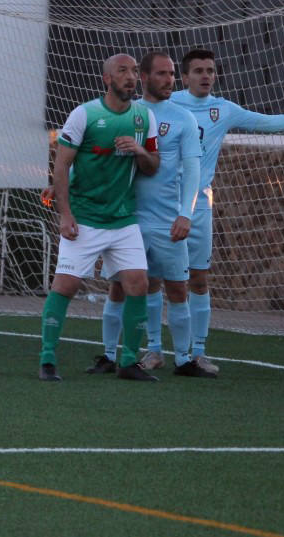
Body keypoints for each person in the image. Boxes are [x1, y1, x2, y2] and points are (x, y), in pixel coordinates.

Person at [171, 48, 284, 372]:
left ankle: (199, 352)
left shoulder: (224, 109)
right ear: (185, 76)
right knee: (155, 280)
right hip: (162, 202)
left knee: (199, 279)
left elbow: (271, 123)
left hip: (199, 205)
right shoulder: (168, 104)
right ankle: (152, 349)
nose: (206, 76)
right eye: (199, 71)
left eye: (210, 71)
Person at [38, 53, 160, 381]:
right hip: (85, 218)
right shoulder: (85, 114)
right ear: (107, 79)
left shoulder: (143, 117)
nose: (131, 77)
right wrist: (65, 214)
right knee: (65, 285)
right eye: (123, 71)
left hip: (123, 219)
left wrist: (140, 151)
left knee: (138, 283)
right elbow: (61, 165)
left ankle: (129, 362)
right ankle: (47, 359)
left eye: (134, 71)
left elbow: (153, 165)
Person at [90, 53, 213, 378]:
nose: (169, 80)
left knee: (177, 289)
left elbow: (193, 171)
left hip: (167, 220)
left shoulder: (184, 118)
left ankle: (183, 360)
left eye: (171, 74)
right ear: (143, 77)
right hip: (126, 220)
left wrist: (185, 214)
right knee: (119, 288)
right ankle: (109, 355)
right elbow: (96, 159)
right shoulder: (124, 113)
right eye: (161, 74)